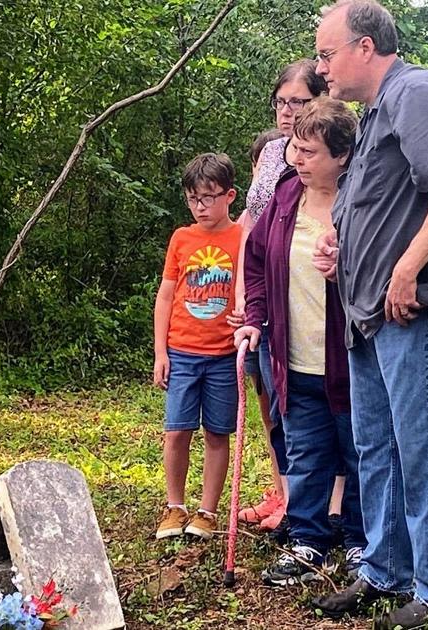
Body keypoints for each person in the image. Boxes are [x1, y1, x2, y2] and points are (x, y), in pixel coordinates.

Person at [308, 2, 428, 628]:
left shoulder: (415, 92)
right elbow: (378, 209)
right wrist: (341, 250)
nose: (320, 67)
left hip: (414, 313)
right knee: (376, 448)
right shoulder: (376, 112)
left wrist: (405, 268)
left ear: (363, 47)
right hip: (369, 318)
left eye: (327, 54)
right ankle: (386, 573)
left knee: (426, 449)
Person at [235, 97, 366, 586]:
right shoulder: (286, 194)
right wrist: (254, 317)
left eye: (309, 152)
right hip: (292, 355)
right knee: (305, 452)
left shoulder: (362, 200)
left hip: (351, 359)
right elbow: (256, 261)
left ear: (342, 156)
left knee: (358, 452)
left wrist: (345, 272)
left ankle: (359, 544)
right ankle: (308, 542)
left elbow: (383, 273)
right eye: (295, 148)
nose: (296, 160)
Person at [233, 60, 329, 534]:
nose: (289, 111)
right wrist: (241, 293)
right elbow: (250, 224)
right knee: (271, 395)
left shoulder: (334, 154)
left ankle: (327, 506)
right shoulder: (272, 153)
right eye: (283, 102)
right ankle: (287, 494)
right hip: (263, 293)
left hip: (309, 296)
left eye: (300, 102)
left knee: (313, 400)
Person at [153, 153, 243, 541]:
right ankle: (174, 506)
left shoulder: (243, 236)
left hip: (224, 354)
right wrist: (161, 352)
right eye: (193, 198)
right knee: (177, 431)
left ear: (230, 196)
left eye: (209, 197)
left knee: (216, 433)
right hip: (183, 353)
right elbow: (166, 296)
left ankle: (207, 511)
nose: (201, 206)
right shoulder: (181, 238)